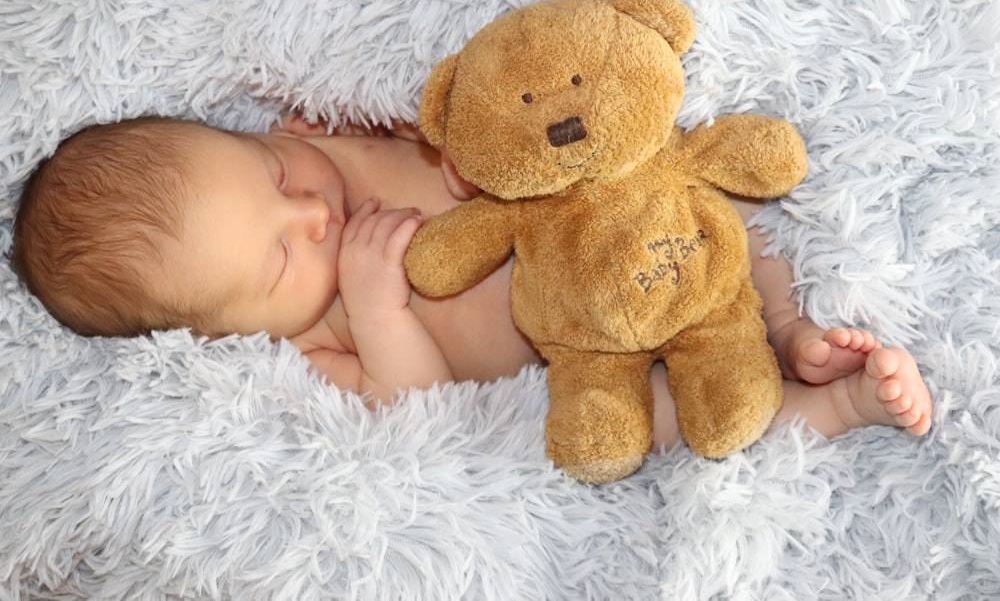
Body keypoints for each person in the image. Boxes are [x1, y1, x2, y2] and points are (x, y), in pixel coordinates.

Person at [10, 115, 933, 451]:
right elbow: (415, 403)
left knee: (717, 213)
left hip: (628, 236)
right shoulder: (311, 342)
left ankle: (784, 326)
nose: (312, 213)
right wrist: (376, 307)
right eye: (281, 257)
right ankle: (838, 406)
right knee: (670, 421)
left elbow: (442, 116)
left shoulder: (324, 143)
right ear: (220, 333)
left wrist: (448, 148)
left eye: (271, 170)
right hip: (586, 362)